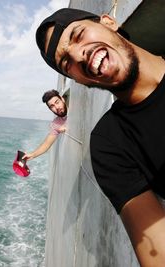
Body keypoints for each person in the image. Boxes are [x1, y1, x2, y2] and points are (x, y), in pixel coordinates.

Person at [35, 8, 165, 266]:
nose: (78, 54)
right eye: (66, 64)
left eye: (78, 34)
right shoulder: (109, 145)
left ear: (108, 22)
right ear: (78, 80)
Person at [23, 89, 67, 161]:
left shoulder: (76, 107)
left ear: (62, 99)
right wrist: (32, 155)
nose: (57, 107)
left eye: (57, 102)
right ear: (50, 109)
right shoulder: (56, 124)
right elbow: (47, 144)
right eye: (52, 106)